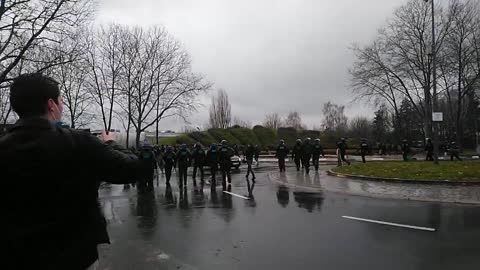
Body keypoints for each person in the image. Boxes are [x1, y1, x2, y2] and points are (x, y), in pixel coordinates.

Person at [1, 73, 145, 270]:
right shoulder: (79, 142)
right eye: (61, 101)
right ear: (51, 104)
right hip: (75, 256)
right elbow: (130, 169)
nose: (62, 106)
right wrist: (111, 143)